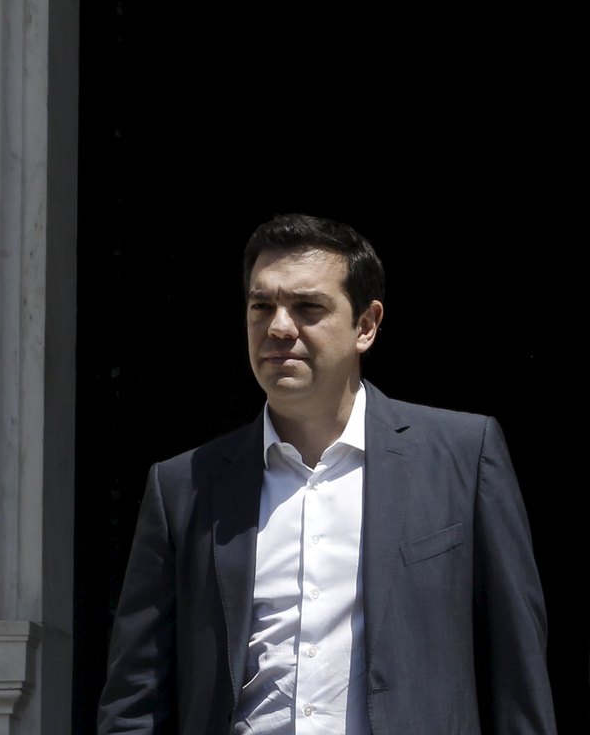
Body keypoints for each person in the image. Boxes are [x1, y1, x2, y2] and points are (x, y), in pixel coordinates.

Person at [97, 214, 555, 734]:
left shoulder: (463, 457)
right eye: (261, 306)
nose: (278, 327)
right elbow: (135, 699)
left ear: (366, 325)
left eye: (308, 307)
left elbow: (517, 678)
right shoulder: (184, 487)